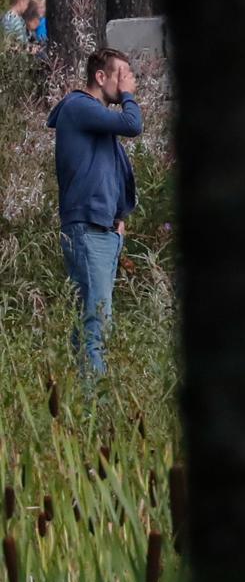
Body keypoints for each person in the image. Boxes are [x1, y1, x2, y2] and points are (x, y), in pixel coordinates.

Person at [47, 48, 143, 377]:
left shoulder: (94, 120)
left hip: (101, 232)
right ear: (100, 77)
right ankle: (94, 417)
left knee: (89, 323)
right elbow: (133, 124)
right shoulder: (78, 107)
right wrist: (128, 95)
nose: (128, 82)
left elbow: (108, 172)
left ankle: (81, 407)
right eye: (121, 75)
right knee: (96, 326)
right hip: (88, 231)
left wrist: (118, 220)